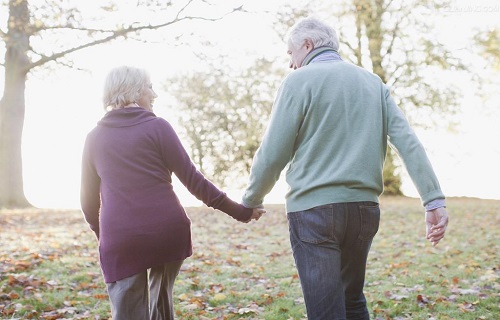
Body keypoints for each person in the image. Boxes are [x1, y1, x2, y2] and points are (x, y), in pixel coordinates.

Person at [242, 17, 449, 320]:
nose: (290, 64)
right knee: (352, 301)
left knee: (326, 311)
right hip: (363, 211)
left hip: (313, 212)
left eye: (290, 54)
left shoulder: (297, 82)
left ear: (307, 45)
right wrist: (433, 199)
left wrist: (251, 199)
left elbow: (273, 152)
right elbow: (407, 141)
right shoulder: (372, 83)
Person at [80, 65, 265, 320]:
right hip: (166, 232)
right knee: (161, 307)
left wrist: (105, 236)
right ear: (133, 91)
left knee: (128, 313)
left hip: (122, 238)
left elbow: (88, 204)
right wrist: (240, 212)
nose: (154, 94)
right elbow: (194, 181)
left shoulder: (94, 138)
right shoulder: (158, 127)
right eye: (149, 87)